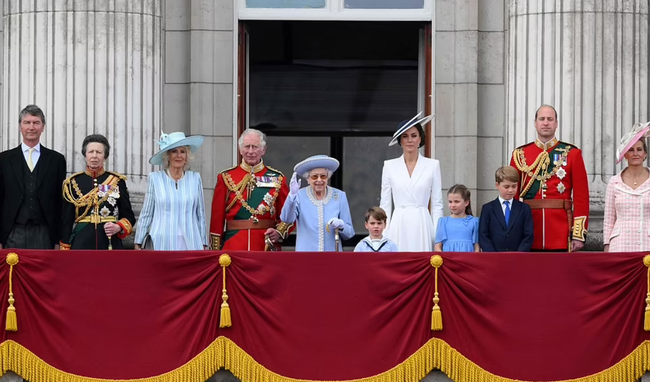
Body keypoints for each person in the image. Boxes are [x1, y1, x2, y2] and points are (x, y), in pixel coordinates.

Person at [510, 105, 589, 252]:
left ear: (556, 123)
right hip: (529, 230)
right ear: (535, 123)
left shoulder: (572, 154)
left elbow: (581, 197)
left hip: (561, 231)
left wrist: (578, 234)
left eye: (550, 119)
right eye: (542, 119)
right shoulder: (520, 155)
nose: (546, 122)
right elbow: (512, 196)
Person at [210, 128, 292, 251]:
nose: (250, 151)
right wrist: (215, 251)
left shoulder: (278, 178)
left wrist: (278, 232)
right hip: (233, 245)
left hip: (265, 246)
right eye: (247, 147)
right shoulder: (226, 177)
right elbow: (217, 218)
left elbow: (288, 213)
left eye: (255, 147)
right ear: (240, 149)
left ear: (263, 150)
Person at [0, 105, 67, 249]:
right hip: (12, 231)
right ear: (20, 126)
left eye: (36, 123)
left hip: (45, 232)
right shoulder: (4, 159)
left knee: (45, 272)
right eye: (27, 122)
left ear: (43, 127)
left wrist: (59, 239)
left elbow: (60, 202)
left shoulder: (56, 160)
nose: (31, 127)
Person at [380, 112, 444, 252]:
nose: (410, 140)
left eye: (414, 135)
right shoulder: (389, 166)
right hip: (399, 223)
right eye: (405, 136)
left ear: (420, 138)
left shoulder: (433, 165)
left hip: (422, 222)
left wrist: (437, 237)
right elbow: (385, 204)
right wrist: (384, 234)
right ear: (400, 140)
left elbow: (437, 204)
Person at [134, 132, 208, 250]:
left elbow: (200, 214)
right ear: (167, 155)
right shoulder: (155, 178)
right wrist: (138, 241)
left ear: (187, 156)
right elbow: (147, 213)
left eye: (182, 151)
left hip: (191, 241)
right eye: (174, 151)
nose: (179, 155)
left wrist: (204, 242)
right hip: (161, 242)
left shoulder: (195, 179)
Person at [60, 134, 136, 250]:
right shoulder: (73, 183)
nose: (94, 156)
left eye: (99, 152)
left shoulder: (116, 181)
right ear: (85, 155)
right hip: (82, 242)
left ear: (105, 156)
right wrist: (65, 246)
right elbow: (66, 220)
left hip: (109, 242)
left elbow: (129, 216)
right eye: (91, 152)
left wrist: (118, 227)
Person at [280, 155, 354, 251]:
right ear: (308, 179)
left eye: (323, 176)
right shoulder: (299, 196)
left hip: (332, 257)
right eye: (314, 176)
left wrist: (341, 225)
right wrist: (292, 196)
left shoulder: (339, 196)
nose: (319, 180)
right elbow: (286, 219)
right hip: (306, 257)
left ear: (328, 177)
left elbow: (350, 233)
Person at [603, 122, 650, 252]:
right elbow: (609, 219)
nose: (635, 153)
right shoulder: (614, 182)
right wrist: (607, 246)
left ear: (645, 154)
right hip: (620, 244)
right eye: (631, 150)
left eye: (639, 149)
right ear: (625, 155)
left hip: (646, 242)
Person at [479, 166, 534, 252]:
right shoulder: (487, 208)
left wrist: (519, 254)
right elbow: (483, 235)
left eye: (514, 186)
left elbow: (528, 234)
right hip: (494, 258)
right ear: (497, 185)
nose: (511, 190)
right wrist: (493, 255)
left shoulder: (524, 208)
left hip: (518, 258)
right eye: (506, 187)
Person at [434, 184, 479, 252]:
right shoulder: (443, 222)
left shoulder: (474, 222)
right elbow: (438, 246)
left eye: (456, 202)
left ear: (466, 203)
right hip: (449, 260)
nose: (453, 205)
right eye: (450, 202)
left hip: (468, 260)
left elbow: (477, 247)